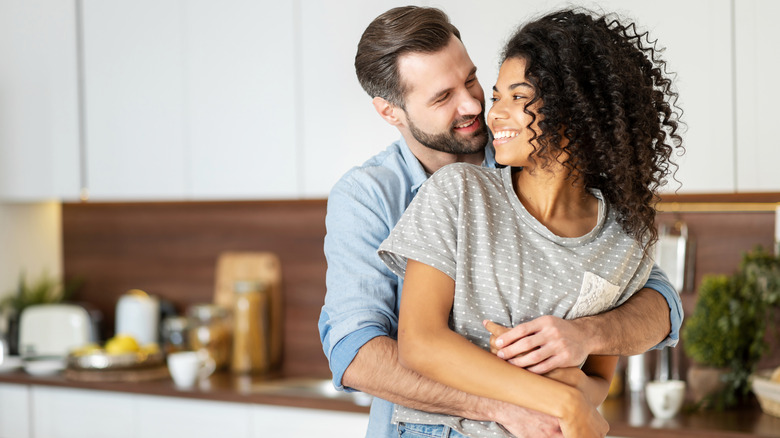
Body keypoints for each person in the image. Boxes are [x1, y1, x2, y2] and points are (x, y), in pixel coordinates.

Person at [319, 6, 683, 437]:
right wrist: (514, 404)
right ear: (390, 111)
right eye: (442, 97)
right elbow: (357, 353)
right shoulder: (371, 195)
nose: (474, 105)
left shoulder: (537, 153)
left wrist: (584, 340)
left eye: (471, 80)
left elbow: (653, 301)